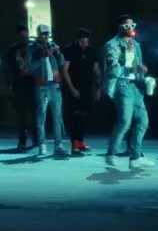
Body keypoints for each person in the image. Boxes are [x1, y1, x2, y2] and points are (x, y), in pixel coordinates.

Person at [102, 14, 154, 169]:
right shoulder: (112, 45)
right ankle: (111, 153)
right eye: (126, 25)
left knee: (143, 121)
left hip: (136, 86)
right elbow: (113, 69)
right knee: (125, 121)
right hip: (122, 85)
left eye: (132, 25)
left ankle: (136, 157)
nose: (130, 28)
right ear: (119, 27)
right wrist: (132, 68)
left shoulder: (135, 44)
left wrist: (142, 74)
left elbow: (138, 65)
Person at [28, 24, 70, 156]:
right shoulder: (32, 47)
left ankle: (58, 144)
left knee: (58, 115)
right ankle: (42, 144)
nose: (46, 36)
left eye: (47, 34)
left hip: (55, 84)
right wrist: (43, 55)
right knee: (41, 114)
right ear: (38, 34)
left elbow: (62, 62)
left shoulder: (52, 45)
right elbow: (30, 66)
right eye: (43, 34)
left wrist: (58, 53)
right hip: (41, 85)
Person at [62, 27, 102, 154]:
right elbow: (64, 70)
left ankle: (80, 141)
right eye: (81, 42)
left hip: (87, 88)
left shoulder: (92, 51)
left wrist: (98, 88)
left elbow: (96, 69)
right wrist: (72, 88)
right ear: (77, 40)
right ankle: (74, 143)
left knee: (84, 115)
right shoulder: (69, 50)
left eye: (86, 42)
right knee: (75, 116)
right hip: (74, 88)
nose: (84, 44)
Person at [7, 23, 38, 149]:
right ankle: (22, 140)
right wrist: (10, 85)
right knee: (21, 115)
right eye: (20, 33)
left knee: (35, 113)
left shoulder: (34, 46)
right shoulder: (13, 48)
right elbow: (9, 68)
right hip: (19, 84)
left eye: (24, 32)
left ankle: (36, 139)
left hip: (33, 84)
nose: (23, 35)